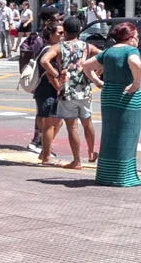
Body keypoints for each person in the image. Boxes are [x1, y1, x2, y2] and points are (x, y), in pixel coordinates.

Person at [39, 13, 97, 169]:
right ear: (79, 30)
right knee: (87, 122)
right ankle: (91, 152)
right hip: (84, 90)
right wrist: (94, 74)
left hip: (67, 91)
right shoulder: (87, 46)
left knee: (72, 127)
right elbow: (103, 57)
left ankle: (77, 160)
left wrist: (56, 73)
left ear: (64, 31)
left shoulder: (59, 47)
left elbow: (44, 61)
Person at [94, 17, 141, 187]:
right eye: (136, 36)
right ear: (130, 37)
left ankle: (106, 174)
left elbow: (86, 66)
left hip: (109, 96)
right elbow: (136, 64)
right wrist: (136, 83)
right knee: (127, 136)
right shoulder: (131, 51)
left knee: (110, 135)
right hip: (128, 98)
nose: (137, 40)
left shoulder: (109, 51)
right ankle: (124, 176)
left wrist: (97, 81)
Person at [23, 6, 63, 166]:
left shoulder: (44, 42)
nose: (62, 35)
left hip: (44, 88)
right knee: (49, 121)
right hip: (46, 88)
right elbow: (45, 65)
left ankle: (44, 148)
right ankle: (45, 153)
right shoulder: (45, 44)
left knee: (54, 120)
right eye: (59, 32)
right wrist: (58, 82)